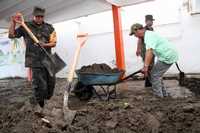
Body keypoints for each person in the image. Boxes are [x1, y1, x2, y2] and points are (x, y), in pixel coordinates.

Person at [8, 6, 57, 111]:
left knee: (51, 83)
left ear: (43, 16)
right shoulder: (26, 26)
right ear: (33, 16)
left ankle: (48, 102)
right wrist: (13, 22)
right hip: (34, 60)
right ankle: (40, 105)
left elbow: (54, 43)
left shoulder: (50, 28)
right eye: (37, 16)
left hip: (48, 59)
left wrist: (44, 45)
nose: (39, 18)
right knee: (40, 85)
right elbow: (11, 35)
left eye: (41, 16)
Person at [129, 23, 178, 98]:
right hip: (165, 55)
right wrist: (147, 66)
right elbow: (150, 52)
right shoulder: (148, 35)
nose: (135, 36)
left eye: (134, 33)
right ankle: (164, 95)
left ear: (138, 30)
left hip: (167, 56)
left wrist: (145, 66)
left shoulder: (148, 36)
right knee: (156, 75)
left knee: (154, 75)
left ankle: (159, 97)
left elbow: (150, 51)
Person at [135, 15, 155, 88]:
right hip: (145, 51)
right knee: (147, 65)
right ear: (146, 21)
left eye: (152, 20)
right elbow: (139, 40)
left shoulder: (152, 29)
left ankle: (150, 81)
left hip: (151, 50)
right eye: (151, 20)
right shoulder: (144, 29)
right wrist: (138, 49)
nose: (152, 22)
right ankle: (148, 82)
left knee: (151, 66)